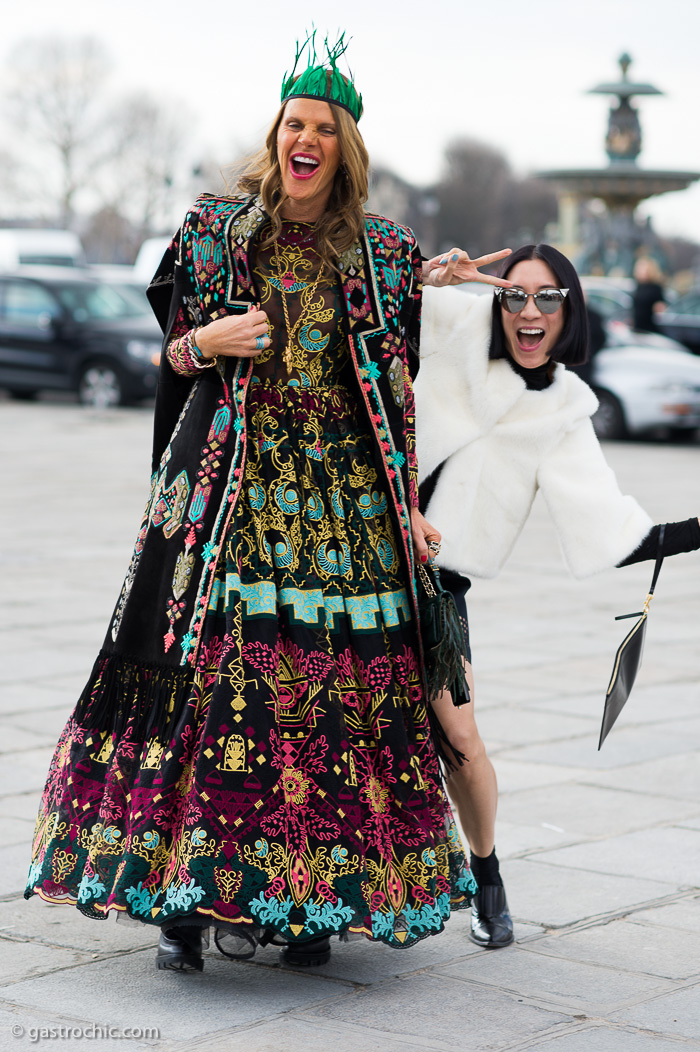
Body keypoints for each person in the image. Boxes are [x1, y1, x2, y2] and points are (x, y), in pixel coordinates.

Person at [24, 34, 510, 973]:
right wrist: (207, 337)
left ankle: (311, 906)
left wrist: (434, 288)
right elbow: (169, 356)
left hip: (341, 507)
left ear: (346, 147)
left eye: (325, 129)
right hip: (233, 494)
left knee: (332, 703)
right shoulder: (214, 230)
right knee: (217, 683)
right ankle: (183, 902)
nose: (307, 140)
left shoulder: (382, 249)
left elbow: (399, 388)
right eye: (296, 123)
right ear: (276, 132)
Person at [416, 243, 700, 950]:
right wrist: (421, 280)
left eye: (547, 297)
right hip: (346, 560)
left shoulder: (565, 413)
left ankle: (486, 877)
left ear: (569, 309)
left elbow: (612, 530)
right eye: (515, 295)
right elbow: (363, 322)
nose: (529, 311)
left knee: (459, 736)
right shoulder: (451, 331)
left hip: (435, 588)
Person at [632, 256, 666, 333]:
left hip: (649, 327)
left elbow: (660, 308)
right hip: (637, 327)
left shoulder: (655, 288)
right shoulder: (638, 286)